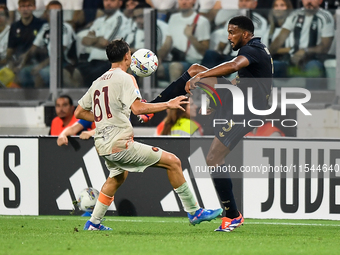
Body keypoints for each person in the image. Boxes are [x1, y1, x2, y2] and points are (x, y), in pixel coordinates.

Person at [75, 38, 223, 231]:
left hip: (102, 144)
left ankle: (93, 223)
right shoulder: (125, 78)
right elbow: (138, 109)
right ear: (127, 56)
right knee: (173, 162)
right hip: (120, 144)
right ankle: (194, 212)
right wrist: (168, 104)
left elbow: (79, 112)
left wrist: (106, 118)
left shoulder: (98, 81)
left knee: (117, 178)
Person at [145, 16, 272, 232]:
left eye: (232, 32)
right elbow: (243, 80)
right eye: (228, 32)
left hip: (247, 112)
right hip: (238, 101)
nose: (229, 37)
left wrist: (205, 77)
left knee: (213, 158)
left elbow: (233, 66)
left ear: (245, 33)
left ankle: (232, 215)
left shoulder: (251, 50)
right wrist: (213, 90)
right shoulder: (256, 49)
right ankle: (153, 108)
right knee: (194, 69)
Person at [269, 0, 334, 88]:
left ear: (320, 1)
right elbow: (280, 39)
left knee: (313, 67)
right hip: (292, 62)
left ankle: (313, 100)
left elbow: (325, 47)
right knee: (267, 67)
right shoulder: (295, 15)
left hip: (314, 60)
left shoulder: (325, 17)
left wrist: (305, 51)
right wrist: (265, 56)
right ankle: (269, 99)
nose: (309, 1)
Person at [19, 0, 79, 88]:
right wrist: (22, 64)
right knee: (23, 72)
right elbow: (33, 48)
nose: (54, 14)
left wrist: (40, 66)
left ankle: (41, 101)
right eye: (51, 12)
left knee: (40, 74)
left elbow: (59, 53)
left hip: (62, 63)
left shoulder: (66, 28)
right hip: (45, 62)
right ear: (46, 13)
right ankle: (25, 100)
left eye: (57, 11)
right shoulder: (45, 28)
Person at [77, 0, 131, 87]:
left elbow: (107, 44)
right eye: (106, 0)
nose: (108, 3)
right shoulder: (99, 20)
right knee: (73, 73)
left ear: (120, 3)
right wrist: (98, 39)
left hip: (107, 63)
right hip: (91, 61)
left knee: (88, 79)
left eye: (112, 1)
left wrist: (93, 40)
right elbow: (85, 40)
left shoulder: (120, 19)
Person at [157, 0, 211, 82]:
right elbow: (167, 44)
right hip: (175, 60)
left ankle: (174, 94)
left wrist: (190, 36)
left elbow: (205, 52)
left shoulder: (202, 21)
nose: (184, 2)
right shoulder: (173, 18)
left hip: (194, 64)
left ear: (194, 1)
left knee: (175, 67)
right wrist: (158, 58)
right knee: (147, 68)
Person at [6, 0, 46, 87]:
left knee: (24, 73)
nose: (25, 9)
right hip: (18, 61)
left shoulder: (42, 24)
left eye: (29, 6)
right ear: (18, 8)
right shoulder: (14, 26)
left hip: (37, 61)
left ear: (34, 7)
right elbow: (10, 50)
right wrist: (10, 63)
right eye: (23, 6)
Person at [263, 0, 293, 77]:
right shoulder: (269, 28)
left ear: (288, 8)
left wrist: (274, 50)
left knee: (272, 67)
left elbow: (292, 48)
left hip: (289, 62)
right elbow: (264, 48)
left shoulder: (293, 26)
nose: (278, 8)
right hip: (271, 60)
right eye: (276, 6)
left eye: (282, 5)